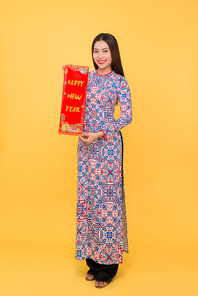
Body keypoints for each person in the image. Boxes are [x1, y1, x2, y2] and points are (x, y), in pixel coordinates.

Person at [65, 33, 132, 288]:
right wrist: (69, 79)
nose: (100, 56)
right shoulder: (86, 78)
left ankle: (108, 268)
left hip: (109, 148)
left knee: (108, 203)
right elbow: (73, 104)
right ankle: (92, 262)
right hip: (85, 146)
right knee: (90, 200)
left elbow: (127, 116)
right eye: (96, 51)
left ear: (113, 53)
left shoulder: (119, 82)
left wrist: (101, 133)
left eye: (105, 51)